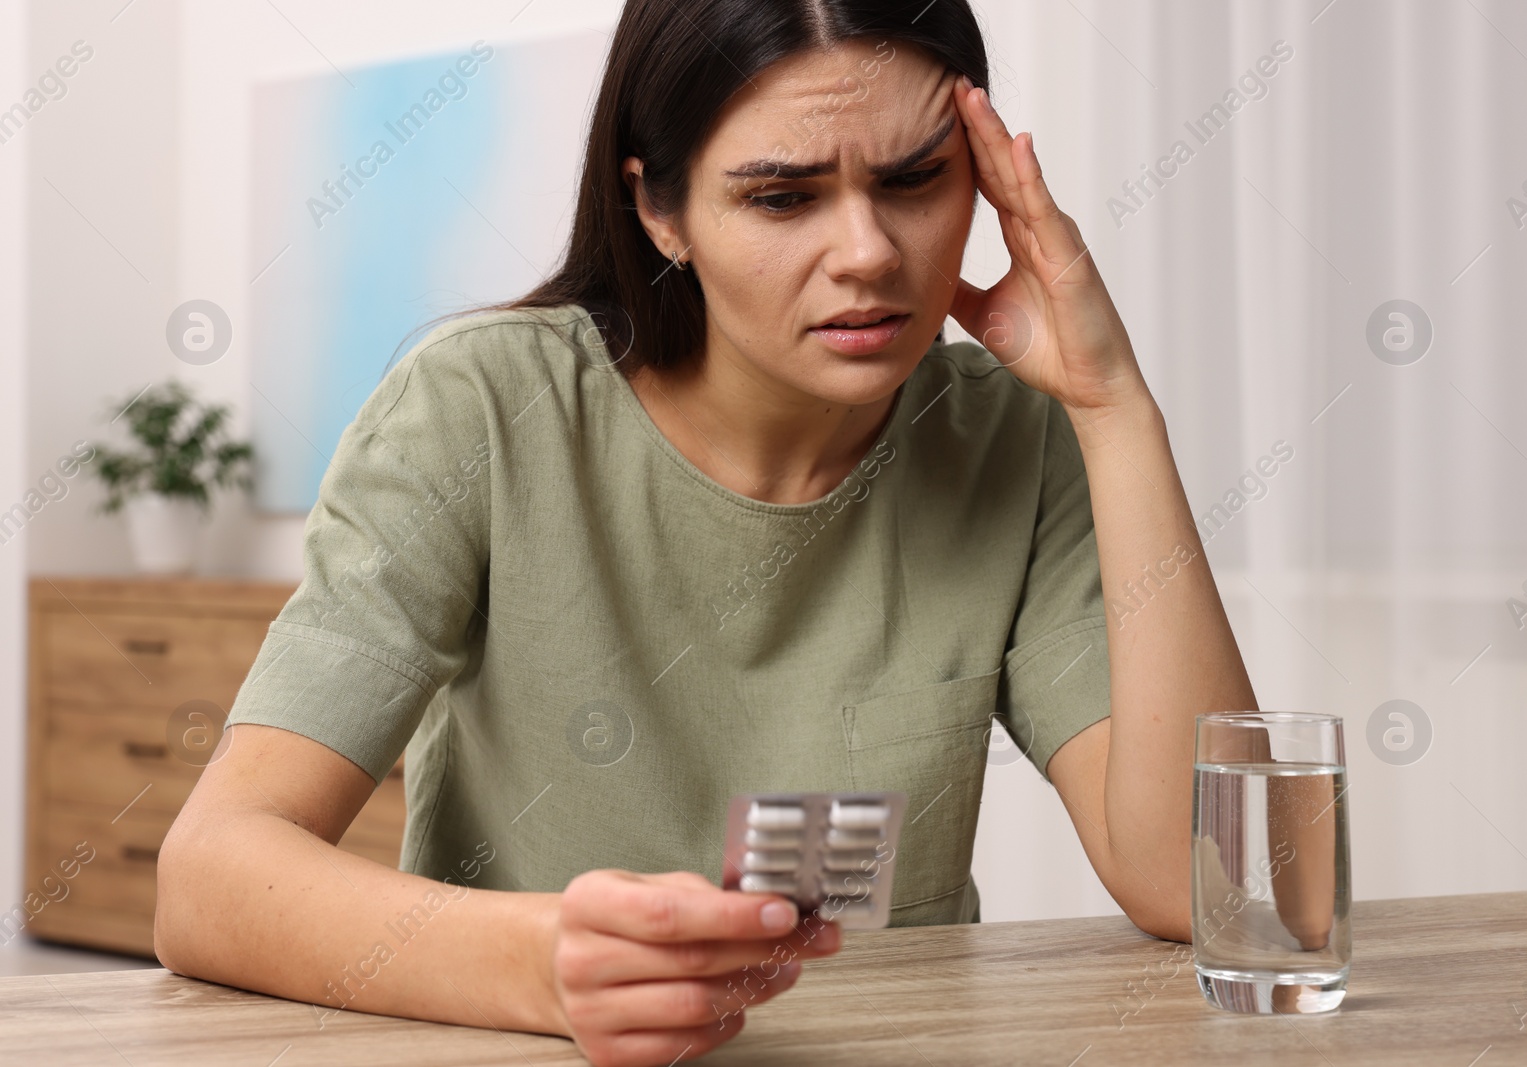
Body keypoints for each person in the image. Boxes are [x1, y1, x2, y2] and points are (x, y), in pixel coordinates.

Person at [154, 1, 1256, 1064]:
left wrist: (1113, 406)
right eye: (783, 198)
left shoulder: (1011, 433)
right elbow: (207, 876)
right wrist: (545, 966)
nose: (868, 252)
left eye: (916, 179)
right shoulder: (478, 409)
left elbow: (1197, 883)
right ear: (660, 209)